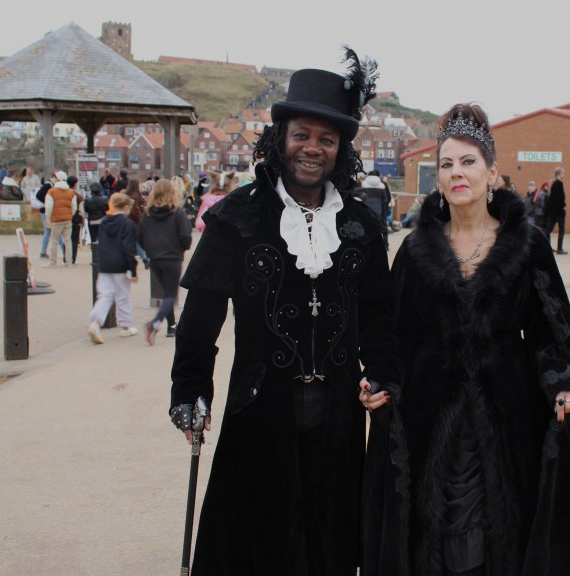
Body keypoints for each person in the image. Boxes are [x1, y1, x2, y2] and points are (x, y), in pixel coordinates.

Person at [168, 51, 400, 576]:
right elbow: (201, 319)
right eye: (302, 135)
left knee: (328, 545)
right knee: (259, 544)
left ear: (341, 149)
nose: (312, 149)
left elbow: (380, 313)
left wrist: (382, 373)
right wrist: (189, 391)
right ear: (281, 138)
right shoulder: (237, 217)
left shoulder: (361, 225)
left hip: (339, 416)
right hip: (259, 412)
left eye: (327, 139)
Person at [362, 103, 570, 576]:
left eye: (468, 162)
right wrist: (380, 378)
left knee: (493, 536)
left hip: (504, 414)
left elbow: (552, 329)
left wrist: (561, 380)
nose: (456, 173)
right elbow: (394, 333)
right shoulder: (415, 249)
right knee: (433, 538)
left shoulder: (526, 245)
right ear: (437, 178)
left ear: (492, 172)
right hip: (430, 415)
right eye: (446, 164)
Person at [138, 178, 193, 344]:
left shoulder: (147, 214)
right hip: (172, 257)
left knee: (166, 294)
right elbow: (185, 236)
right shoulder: (177, 213)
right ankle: (155, 323)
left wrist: (150, 250)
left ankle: (171, 325)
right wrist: (182, 247)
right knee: (171, 295)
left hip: (155, 258)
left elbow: (139, 237)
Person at [87, 193, 139, 343]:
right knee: (123, 296)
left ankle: (95, 323)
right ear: (127, 207)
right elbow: (129, 248)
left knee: (105, 295)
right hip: (120, 264)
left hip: (105, 264)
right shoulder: (127, 224)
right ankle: (125, 327)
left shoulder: (104, 222)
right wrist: (133, 269)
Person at [44, 170, 77, 267]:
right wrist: (70, 214)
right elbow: (74, 206)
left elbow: (49, 207)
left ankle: (52, 262)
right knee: (68, 241)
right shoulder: (70, 192)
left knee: (54, 241)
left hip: (56, 219)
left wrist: (48, 218)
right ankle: (69, 262)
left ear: (57, 179)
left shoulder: (51, 191)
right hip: (68, 218)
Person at [357, 171, 391, 247]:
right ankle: (384, 244)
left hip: (367, 208)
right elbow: (386, 199)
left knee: (366, 227)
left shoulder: (364, 184)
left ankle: (367, 244)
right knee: (382, 227)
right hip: (380, 209)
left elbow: (361, 197)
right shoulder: (382, 185)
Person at [543, 167, 568, 254]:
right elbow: (560, 198)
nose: (564, 175)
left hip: (552, 211)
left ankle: (547, 247)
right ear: (559, 174)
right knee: (561, 229)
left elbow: (552, 198)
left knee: (548, 229)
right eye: (563, 173)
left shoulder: (553, 183)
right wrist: (563, 206)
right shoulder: (559, 183)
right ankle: (559, 248)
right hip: (559, 211)